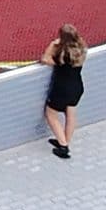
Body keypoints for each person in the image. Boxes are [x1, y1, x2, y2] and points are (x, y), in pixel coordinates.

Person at [39, 24, 87, 159]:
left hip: (62, 90)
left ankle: (63, 146)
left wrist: (52, 45)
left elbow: (45, 59)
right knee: (71, 115)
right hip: (76, 87)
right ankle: (65, 140)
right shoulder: (80, 50)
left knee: (51, 114)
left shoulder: (62, 54)